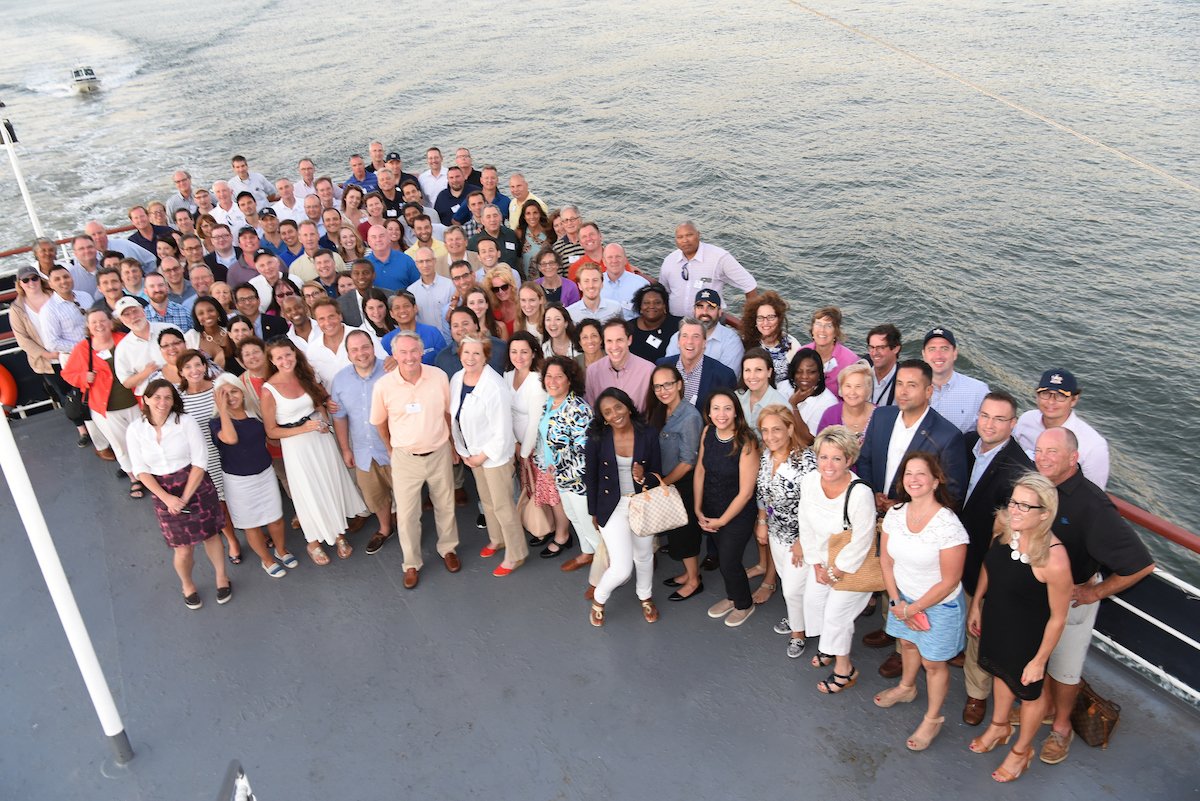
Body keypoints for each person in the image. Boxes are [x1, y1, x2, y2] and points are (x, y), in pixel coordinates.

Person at [1032, 427, 1154, 766]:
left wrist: (1094, 592)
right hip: (1034, 594)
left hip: (1071, 599)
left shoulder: (1091, 504)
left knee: (1065, 668)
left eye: (1052, 452)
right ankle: (1042, 708)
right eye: (1039, 450)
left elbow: (1141, 564)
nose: (1042, 457)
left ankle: (1061, 728)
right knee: (1036, 655)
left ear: (1074, 458)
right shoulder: (1038, 488)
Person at [854, 358, 968, 674]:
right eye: (900, 384)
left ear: (929, 390)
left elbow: (952, 492)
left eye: (912, 385)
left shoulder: (947, 436)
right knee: (886, 571)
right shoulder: (882, 417)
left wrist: (902, 507)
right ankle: (893, 625)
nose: (903, 392)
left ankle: (903, 652)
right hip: (878, 513)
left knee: (909, 576)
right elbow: (865, 460)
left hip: (914, 525)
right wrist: (872, 492)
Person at [967, 473, 1073, 783]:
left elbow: (1058, 617)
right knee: (1000, 672)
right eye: (1014, 501)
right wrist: (977, 603)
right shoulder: (1005, 527)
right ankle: (999, 726)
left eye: (1025, 507)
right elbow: (990, 564)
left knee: (1029, 694)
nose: (1014, 510)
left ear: (1044, 513)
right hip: (998, 619)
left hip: (1028, 636)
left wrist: (1040, 660)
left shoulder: (1054, 560)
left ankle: (1022, 750)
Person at [876, 453, 969, 751]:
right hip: (902, 597)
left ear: (935, 481)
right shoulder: (896, 513)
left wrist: (912, 609)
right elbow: (887, 562)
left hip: (938, 604)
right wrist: (895, 600)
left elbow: (950, 581)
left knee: (933, 662)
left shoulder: (948, 526)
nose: (913, 479)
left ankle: (932, 718)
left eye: (921, 474)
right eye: (908, 474)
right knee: (907, 644)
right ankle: (906, 687)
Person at [959, 391, 1034, 726]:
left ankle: (977, 694)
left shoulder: (1020, 471)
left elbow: (1007, 539)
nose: (989, 424)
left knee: (978, 626)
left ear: (1013, 424)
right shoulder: (964, 444)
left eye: (999, 419)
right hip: (949, 551)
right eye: (985, 415)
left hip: (983, 560)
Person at [125, 379, 230, 609]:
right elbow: (141, 470)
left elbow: (200, 461)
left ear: (174, 401)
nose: (162, 402)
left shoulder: (185, 422)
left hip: (195, 483)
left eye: (168, 397)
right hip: (162, 490)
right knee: (182, 548)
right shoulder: (135, 430)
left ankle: (221, 576)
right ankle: (187, 584)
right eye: (157, 397)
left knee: (211, 535)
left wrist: (185, 496)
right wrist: (167, 498)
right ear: (146, 399)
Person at [261, 339, 368, 564]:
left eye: (288, 355)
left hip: (321, 440)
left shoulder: (305, 376)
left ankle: (339, 534)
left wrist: (324, 420)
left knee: (330, 484)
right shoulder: (269, 390)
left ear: (295, 354)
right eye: (279, 357)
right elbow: (271, 431)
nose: (285, 360)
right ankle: (314, 542)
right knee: (308, 492)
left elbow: (319, 403)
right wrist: (303, 428)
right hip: (297, 448)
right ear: (272, 361)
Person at [369, 332, 462, 589]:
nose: (409, 357)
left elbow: (446, 414)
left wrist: (452, 446)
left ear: (421, 352)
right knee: (408, 514)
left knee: (445, 504)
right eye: (403, 352)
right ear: (395, 356)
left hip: (439, 451)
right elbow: (380, 423)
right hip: (405, 458)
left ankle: (448, 548)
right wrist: (391, 450)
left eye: (414, 351)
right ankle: (411, 563)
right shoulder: (383, 386)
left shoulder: (439, 377)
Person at [794, 426, 876, 693]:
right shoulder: (809, 482)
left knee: (835, 615)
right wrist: (817, 563)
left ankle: (845, 669)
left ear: (849, 460)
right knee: (813, 602)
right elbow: (805, 523)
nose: (828, 465)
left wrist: (836, 571)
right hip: (822, 558)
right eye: (823, 457)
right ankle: (829, 647)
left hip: (853, 565)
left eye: (837, 458)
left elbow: (862, 540)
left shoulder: (859, 493)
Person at [450, 337, 529, 576]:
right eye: (466, 353)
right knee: (487, 502)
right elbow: (455, 416)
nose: (470, 358)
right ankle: (497, 539)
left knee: (503, 506)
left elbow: (503, 432)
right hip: (472, 454)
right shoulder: (457, 378)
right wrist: (464, 452)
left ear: (485, 357)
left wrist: (480, 457)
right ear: (460, 354)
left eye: (476, 354)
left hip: (493, 457)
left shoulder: (494, 386)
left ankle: (516, 553)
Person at [585, 388, 662, 625]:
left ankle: (645, 596)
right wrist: (594, 512)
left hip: (641, 503)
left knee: (644, 555)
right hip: (612, 506)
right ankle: (599, 598)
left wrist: (644, 476)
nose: (615, 414)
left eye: (618, 407)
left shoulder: (647, 434)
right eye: (607, 412)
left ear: (628, 406)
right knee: (621, 568)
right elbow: (592, 476)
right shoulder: (598, 438)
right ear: (603, 418)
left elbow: (658, 473)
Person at [210, 375, 295, 578]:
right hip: (239, 481)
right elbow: (230, 438)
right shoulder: (216, 423)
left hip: (265, 474)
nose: (231, 397)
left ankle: (281, 550)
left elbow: (271, 437)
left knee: (275, 519)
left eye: (234, 391)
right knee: (252, 524)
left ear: (242, 392)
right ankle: (267, 560)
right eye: (224, 394)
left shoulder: (254, 413)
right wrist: (222, 410)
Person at [10, 266, 97, 450]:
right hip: (48, 360)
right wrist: (47, 354)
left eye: (34, 278)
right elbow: (23, 339)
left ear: (41, 279)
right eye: (25, 280)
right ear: (20, 284)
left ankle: (96, 426)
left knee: (86, 390)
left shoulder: (56, 294)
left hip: (73, 355)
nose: (31, 283)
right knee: (66, 395)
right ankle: (81, 429)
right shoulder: (17, 308)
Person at [754, 404, 818, 656]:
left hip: (799, 538)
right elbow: (762, 493)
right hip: (774, 532)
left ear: (790, 428)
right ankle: (796, 618)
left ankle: (798, 634)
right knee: (786, 581)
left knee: (792, 588)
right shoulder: (766, 456)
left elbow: (815, 506)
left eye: (776, 430)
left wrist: (803, 540)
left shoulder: (807, 462)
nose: (770, 436)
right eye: (765, 430)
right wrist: (761, 522)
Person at [696, 388, 761, 628]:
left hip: (737, 513)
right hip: (711, 506)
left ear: (736, 412)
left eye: (727, 408)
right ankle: (733, 596)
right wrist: (697, 508)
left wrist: (722, 521)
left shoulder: (747, 442)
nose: (721, 414)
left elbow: (745, 493)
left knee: (728, 559)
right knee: (724, 557)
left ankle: (744, 604)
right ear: (709, 413)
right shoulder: (708, 432)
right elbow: (700, 470)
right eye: (716, 408)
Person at [330, 331, 396, 557]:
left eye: (365, 347)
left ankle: (409, 532)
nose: (361, 353)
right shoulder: (340, 380)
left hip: (395, 449)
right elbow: (339, 417)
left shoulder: (391, 371)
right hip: (363, 451)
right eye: (354, 350)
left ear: (373, 347)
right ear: (348, 354)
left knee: (406, 494)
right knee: (375, 495)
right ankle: (385, 529)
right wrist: (346, 449)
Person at [62, 309, 142, 493]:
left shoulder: (125, 339)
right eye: (94, 322)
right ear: (88, 327)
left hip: (136, 402)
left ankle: (150, 474)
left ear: (111, 322)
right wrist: (83, 377)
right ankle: (134, 478)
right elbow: (68, 374)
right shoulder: (83, 348)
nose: (99, 325)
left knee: (143, 440)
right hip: (105, 408)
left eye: (102, 321)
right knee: (120, 444)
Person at [176, 349, 242, 563]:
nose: (194, 370)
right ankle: (232, 540)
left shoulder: (218, 389)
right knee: (220, 502)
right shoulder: (178, 398)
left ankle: (254, 530)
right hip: (203, 458)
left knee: (239, 496)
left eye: (198, 365)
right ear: (181, 371)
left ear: (205, 366)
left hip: (228, 449)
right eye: (188, 367)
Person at [647, 365, 705, 601]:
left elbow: (688, 461)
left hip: (682, 484)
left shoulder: (690, 416)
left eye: (668, 384)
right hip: (669, 484)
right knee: (676, 531)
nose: (663, 390)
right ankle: (688, 572)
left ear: (679, 384)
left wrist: (663, 485)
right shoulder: (660, 412)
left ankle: (694, 580)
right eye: (658, 386)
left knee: (685, 533)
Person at [1013, 369, 1110, 490]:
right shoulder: (1026, 420)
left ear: (1074, 400)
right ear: (1037, 395)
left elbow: (1095, 493)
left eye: (1060, 396)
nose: (1051, 401)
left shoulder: (1093, 446)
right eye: (1045, 393)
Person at [659, 221, 758, 317]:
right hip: (675, 322)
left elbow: (749, 284)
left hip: (708, 322)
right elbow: (663, 291)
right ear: (676, 240)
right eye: (680, 237)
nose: (685, 240)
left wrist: (749, 319)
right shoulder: (669, 261)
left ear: (698, 235)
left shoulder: (719, 257)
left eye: (689, 235)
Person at [655, 316, 737, 410]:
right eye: (685, 336)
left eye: (696, 337)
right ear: (678, 341)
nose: (690, 342)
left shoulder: (723, 375)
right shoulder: (661, 366)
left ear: (704, 343)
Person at [923, 327, 990, 434]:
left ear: (955, 353)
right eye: (932, 349)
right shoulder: (911, 389)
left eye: (944, 348)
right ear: (924, 355)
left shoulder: (978, 391)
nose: (938, 355)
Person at [663, 289, 744, 374]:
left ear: (720, 312)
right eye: (700, 307)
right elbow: (668, 371)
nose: (705, 312)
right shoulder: (677, 337)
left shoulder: (731, 341)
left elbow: (728, 378)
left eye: (711, 307)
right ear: (694, 310)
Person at [584, 318, 656, 413]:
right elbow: (591, 409)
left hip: (639, 426)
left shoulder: (648, 370)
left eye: (619, 340)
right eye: (609, 341)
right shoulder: (593, 371)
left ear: (629, 340)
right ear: (603, 342)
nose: (614, 346)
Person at [742, 291, 801, 387]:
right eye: (760, 318)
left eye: (771, 317)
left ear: (779, 319)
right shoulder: (745, 343)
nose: (765, 322)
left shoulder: (792, 345)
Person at [816, 361, 876, 445]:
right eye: (848, 386)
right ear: (840, 389)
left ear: (868, 390)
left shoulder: (880, 416)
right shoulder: (830, 414)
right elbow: (820, 447)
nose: (852, 392)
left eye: (858, 386)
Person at [803, 307, 859, 396]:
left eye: (828, 326)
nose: (822, 330)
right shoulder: (802, 353)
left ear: (836, 331)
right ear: (812, 329)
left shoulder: (850, 361)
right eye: (818, 324)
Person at [785, 348, 837, 435]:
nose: (804, 376)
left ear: (820, 374)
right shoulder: (783, 386)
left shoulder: (828, 403)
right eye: (799, 371)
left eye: (811, 372)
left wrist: (793, 405)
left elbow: (809, 440)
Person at [736, 347, 789, 431]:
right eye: (747, 370)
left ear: (769, 372)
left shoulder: (781, 406)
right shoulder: (736, 398)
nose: (752, 376)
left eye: (758, 370)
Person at [628, 284, 678, 364]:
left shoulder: (679, 325)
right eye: (646, 303)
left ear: (664, 306)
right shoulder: (628, 328)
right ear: (640, 307)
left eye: (657, 303)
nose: (651, 306)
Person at [599, 244, 650, 320]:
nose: (614, 260)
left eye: (618, 256)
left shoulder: (641, 284)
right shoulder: (595, 284)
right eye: (610, 257)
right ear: (604, 262)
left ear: (625, 260)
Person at [517, 199, 555, 275]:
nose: (532, 216)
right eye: (528, 213)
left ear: (540, 214)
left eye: (535, 213)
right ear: (524, 216)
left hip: (545, 279)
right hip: (526, 281)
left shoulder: (548, 232)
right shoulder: (519, 233)